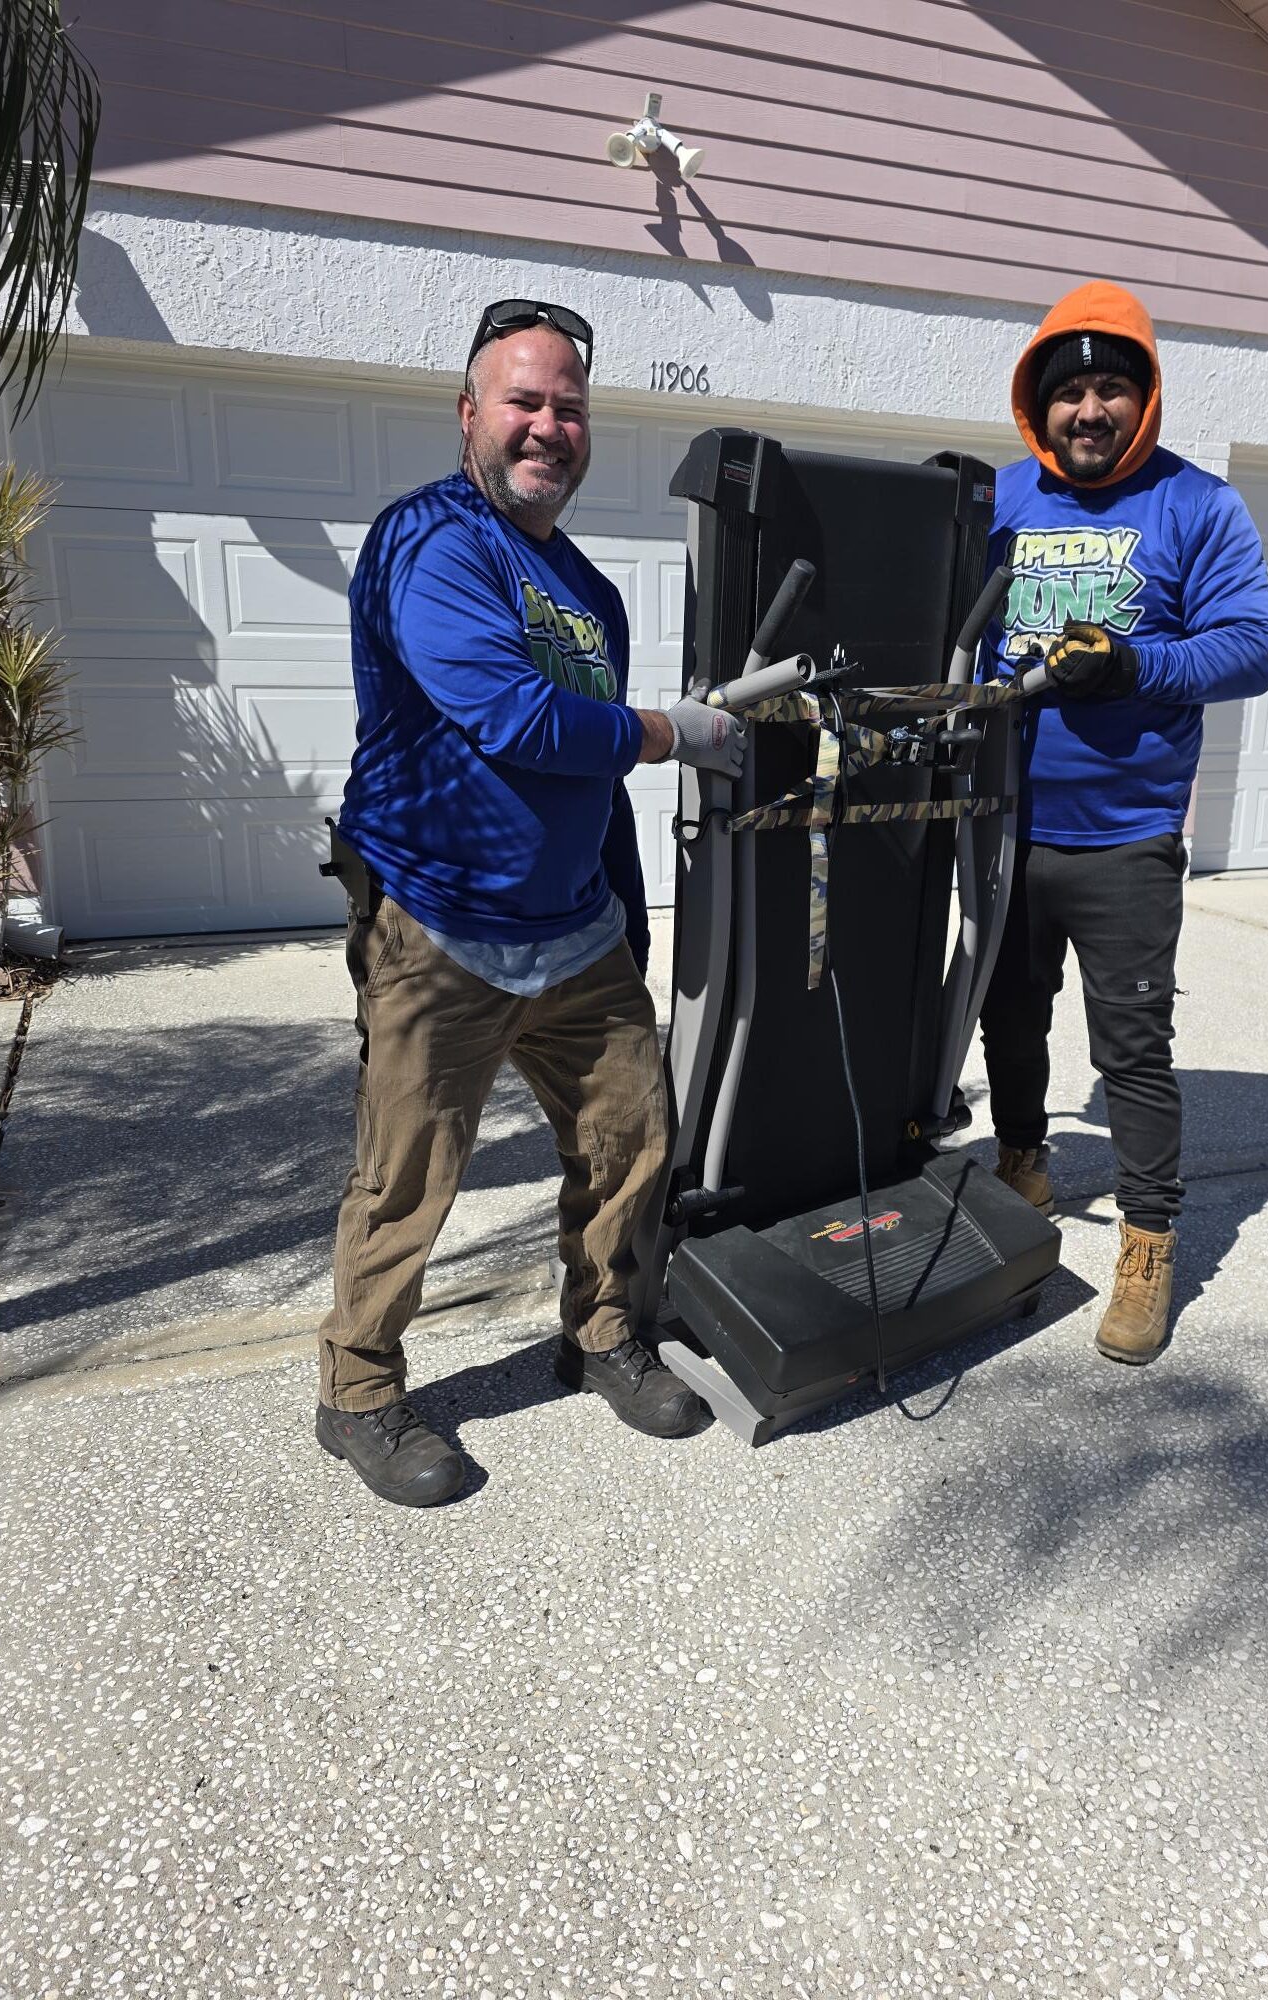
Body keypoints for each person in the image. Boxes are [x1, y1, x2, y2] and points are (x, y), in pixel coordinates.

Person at [316, 299, 745, 1506]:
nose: (547, 424)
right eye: (524, 400)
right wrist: (676, 730)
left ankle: (602, 1332)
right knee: (408, 1175)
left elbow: (587, 764)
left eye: (568, 406)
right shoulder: (429, 540)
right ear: (470, 416)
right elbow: (513, 715)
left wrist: (626, 904)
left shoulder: (589, 592)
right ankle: (355, 1393)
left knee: (629, 1143)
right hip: (438, 922)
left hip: (575, 931)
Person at [979, 280, 1268, 1364]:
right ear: (1039, 405)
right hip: (1006, 828)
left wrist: (1134, 662)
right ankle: (1023, 1161)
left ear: (1144, 398)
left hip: (1127, 838)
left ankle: (1148, 1243)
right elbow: (948, 631)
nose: (1091, 410)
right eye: (1071, 392)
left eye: (1113, 388)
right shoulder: (1002, 499)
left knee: (1134, 1052)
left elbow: (1252, 646)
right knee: (1008, 1019)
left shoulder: (1198, 506)